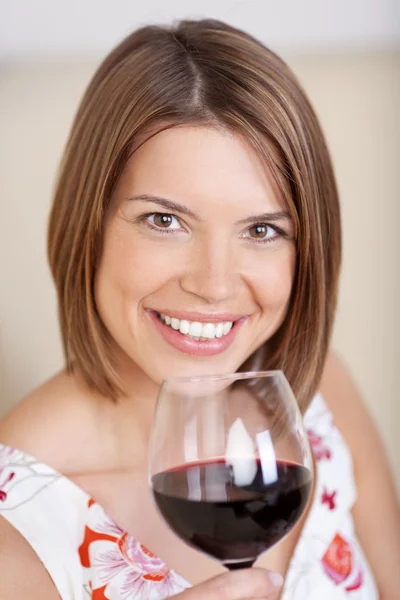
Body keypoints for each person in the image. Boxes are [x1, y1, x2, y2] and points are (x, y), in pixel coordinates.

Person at [0, 18, 398, 600]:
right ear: (89, 226)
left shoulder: (319, 396)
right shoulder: (19, 528)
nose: (214, 285)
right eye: (165, 221)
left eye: (261, 229)